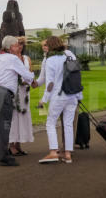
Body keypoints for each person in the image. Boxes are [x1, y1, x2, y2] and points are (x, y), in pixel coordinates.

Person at [0, 36, 34, 166]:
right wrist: (33, 78)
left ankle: (0, 155)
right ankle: (4, 157)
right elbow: (26, 74)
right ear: (10, 47)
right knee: (4, 125)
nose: (18, 47)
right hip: (4, 93)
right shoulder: (13, 58)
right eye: (15, 45)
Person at [38, 36, 82, 164]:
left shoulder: (50, 60)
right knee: (68, 124)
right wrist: (79, 96)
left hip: (58, 97)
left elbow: (50, 84)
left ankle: (53, 152)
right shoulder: (69, 57)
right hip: (72, 96)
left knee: (50, 123)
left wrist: (44, 100)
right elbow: (77, 78)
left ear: (50, 46)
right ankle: (67, 154)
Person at [9, 37, 34, 156]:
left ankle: (19, 144)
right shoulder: (10, 59)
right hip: (14, 91)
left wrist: (32, 82)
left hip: (24, 92)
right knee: (13, 117)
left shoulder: (27, 59)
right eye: (18, 44)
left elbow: (31, 73)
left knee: (23, 117)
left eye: (22, 45)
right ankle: (11, 145)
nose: (20, 47)